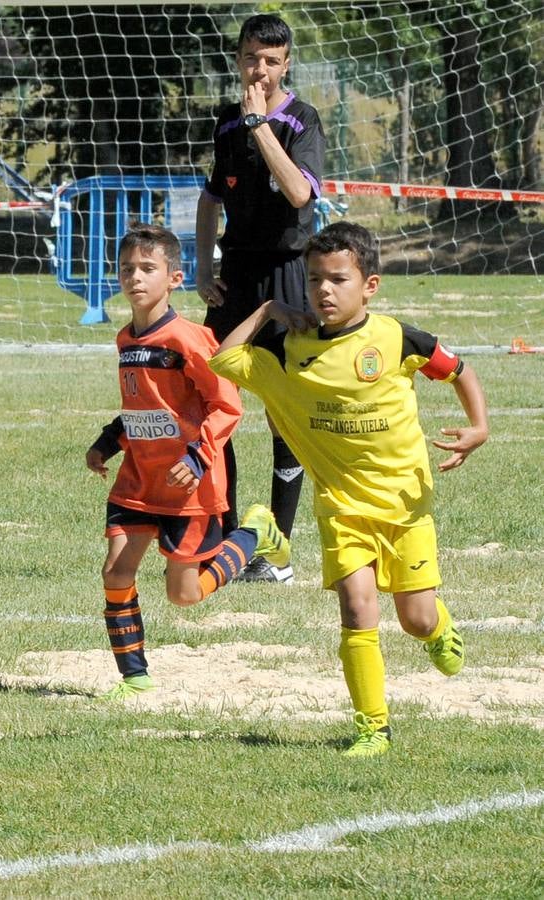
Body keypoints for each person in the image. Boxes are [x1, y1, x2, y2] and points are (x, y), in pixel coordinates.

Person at [210, 222, 488, 757]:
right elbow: (223, 357)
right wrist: (268, 309)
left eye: (338, 279)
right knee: (358, 609)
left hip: (405, 504)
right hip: (340, 507)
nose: (324, 291)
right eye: (314, 279)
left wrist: (479, 427)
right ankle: (372, 728)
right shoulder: (289, 349)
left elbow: (457, 370)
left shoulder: (395, 338)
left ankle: (437, 627)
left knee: (416, 618)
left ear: (370, 286)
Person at [87, 223, 290, 701]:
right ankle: (135, 678)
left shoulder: (190, 340)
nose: (135, 277)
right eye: (126, 269)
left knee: (184, 595)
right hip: (138, 481)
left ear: (174, 278)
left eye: (147, 268)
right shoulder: (125, 340)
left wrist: (199, 457)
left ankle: (256, 532)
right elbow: (144, 406)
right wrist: (106, 442)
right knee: (116, 572)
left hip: (188, 488)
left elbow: (227, 404)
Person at [195, 12, 326, 583]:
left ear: (286, 64)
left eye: (272, 61)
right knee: (215, 403)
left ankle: (277, 553)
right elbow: (208, 200)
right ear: (239, 59)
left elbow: (300, 193)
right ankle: (225, 539)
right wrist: (202, 265)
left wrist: (260, 126)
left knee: (283, 414)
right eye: (252, 58)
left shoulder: (302, 120)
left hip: (287, 275)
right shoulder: (226, 122)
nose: (261, 69)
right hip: (235, 276)